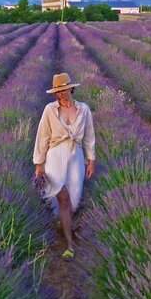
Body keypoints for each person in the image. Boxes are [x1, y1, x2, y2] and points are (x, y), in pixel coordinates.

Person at [33, 72, 95, 261]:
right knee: (63, 198)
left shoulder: (84, 109)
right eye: (57, 92)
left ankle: (62, 221)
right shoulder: (49, 110)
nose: (60, 94)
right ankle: (69, 244)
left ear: (71, 88)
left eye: (63, 90)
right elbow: (42, 136)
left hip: (75, 157)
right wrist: (38, 164)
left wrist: (91, 159)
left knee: (74, 200)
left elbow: (89, 135)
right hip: (54, 156)